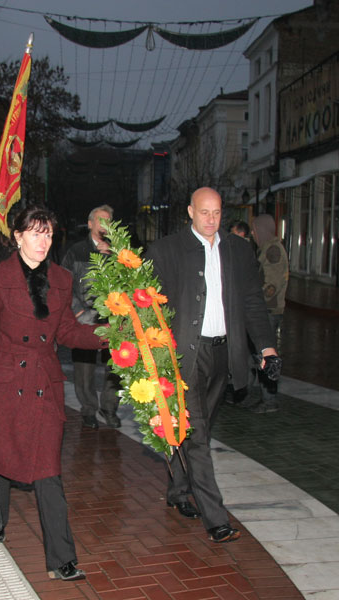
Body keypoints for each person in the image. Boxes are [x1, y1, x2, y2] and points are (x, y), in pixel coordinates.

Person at [0, 206, 107, 582]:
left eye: (48, 234)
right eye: (35, 233)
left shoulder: (61, 278)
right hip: (4, 385)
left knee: (48, 472)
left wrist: (109, 335)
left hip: (45, 387)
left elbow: (66, 332)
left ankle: (61, 559)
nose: (43, 241)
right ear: (17, 236)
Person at [145, 187, 278, 544]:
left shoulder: (238, 250)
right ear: (190, 211)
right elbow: (147, 308)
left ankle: (178, 490)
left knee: (194, 428)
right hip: (186, 355)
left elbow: (252, 303)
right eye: (205, 212)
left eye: (217, 212)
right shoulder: (166, 250)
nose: (212, 219)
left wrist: (266, 347)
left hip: (225, 353)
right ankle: (215, 518)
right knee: (198, 433)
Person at [61, 204, 121, 429]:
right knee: (83, 368)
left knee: (116, 366)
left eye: (109, 221)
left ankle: (109, 407)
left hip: (113, 319)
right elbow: (63, 284)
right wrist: (77, 311)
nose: (105, 225)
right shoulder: (75, 251)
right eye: (101, 220)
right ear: (90, 224)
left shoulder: (119, 250)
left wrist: (117, 258)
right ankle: (88, 409)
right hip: (85, 318)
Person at [246, 213, 289, 413]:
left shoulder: (272, 250)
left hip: (268, 311)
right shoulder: (266, 248)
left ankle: (269, 400)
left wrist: (252, 300)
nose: (253, 233)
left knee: (265, 354)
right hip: (265, 309)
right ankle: (259, 394)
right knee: (256, 353)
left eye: (255, 229)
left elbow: (271, 284)